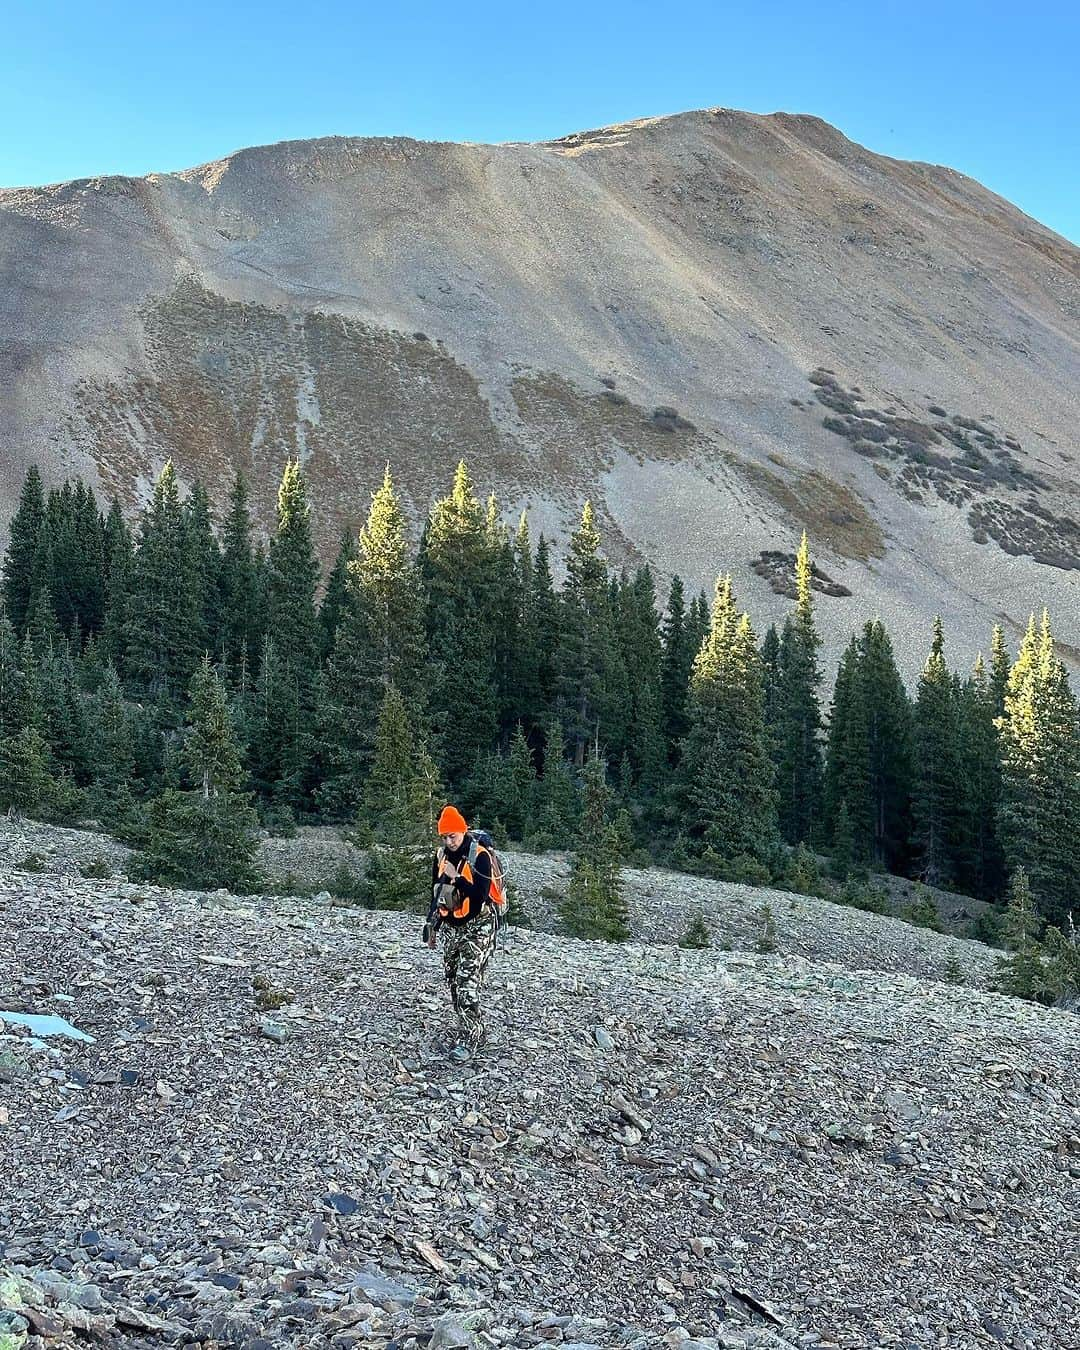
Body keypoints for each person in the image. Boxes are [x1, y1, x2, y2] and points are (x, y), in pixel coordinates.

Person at [423, 804, 498, 1062]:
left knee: (467, 981)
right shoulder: (441, 856)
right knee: (453, 979)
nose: (449, 841)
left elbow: (479, 895)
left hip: (480, 926)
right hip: (452, 926)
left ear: (462, 831)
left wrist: (457, 878)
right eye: (444, 837)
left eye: (452, 836)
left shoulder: (480, 857)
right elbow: (437, 892)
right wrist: (433, 924)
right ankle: (467, 1024)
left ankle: (471, 1037)